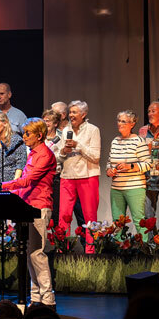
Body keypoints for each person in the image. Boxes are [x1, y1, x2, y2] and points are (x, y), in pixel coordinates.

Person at [1, 118, 57, 309]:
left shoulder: (45, 155)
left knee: (36, 254)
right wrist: (5, 192)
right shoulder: (33, 153)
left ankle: (48, 299)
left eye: (27, 133)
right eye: (24, 133)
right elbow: (24, 185)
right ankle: (36, 298)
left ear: (39, 135)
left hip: (39, 206)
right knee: (29, 255)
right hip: (26, 206)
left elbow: (28, 181)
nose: (23, 137)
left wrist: (2, 186)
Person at [58, 100, 101, 254]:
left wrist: (78, 145)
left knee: (89, 216)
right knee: (64, 215)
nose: (71, 115)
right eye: (70, 112)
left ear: (84, 114)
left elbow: (96, 157)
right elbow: (59, 157)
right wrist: (63, 150)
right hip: (67, 176)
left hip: (87, 177)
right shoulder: (65, 130)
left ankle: (91, 250)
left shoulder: (93, 130)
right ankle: (62, 248)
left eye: (74, 112)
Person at [107, 110, 152, 242]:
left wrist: (130, 166)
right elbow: (109, 162)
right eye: (119, 121)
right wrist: (109, 170)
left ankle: (145, 251)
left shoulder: (138, 141)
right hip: (116, 188)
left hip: (135, 187)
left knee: (139, 221)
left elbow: (148, 164)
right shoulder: (115, 141)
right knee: (117, 222)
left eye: (123, 121)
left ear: (132, 124)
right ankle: (119, 252)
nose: (120, 124)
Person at [138, 100, 159, 219]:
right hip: (148, 179)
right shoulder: (143, 131)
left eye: (153, 111)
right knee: (148, 216)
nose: (150, 114)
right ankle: (151, 238)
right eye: (149, 111)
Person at [0, 111, 26, 183]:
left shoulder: (16, 140)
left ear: (5, 123)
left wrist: (14, 183)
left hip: (12, 184)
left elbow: (20, 165)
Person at [42, 109, 63, 222]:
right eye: (44, 120)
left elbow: (63, 157)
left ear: (55, 124)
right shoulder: (39, 138)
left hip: (56, 178)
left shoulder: (61, 139)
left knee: (56, 211)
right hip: (41, 179)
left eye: (49, 121)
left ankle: (56, 237)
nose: (46, 123)